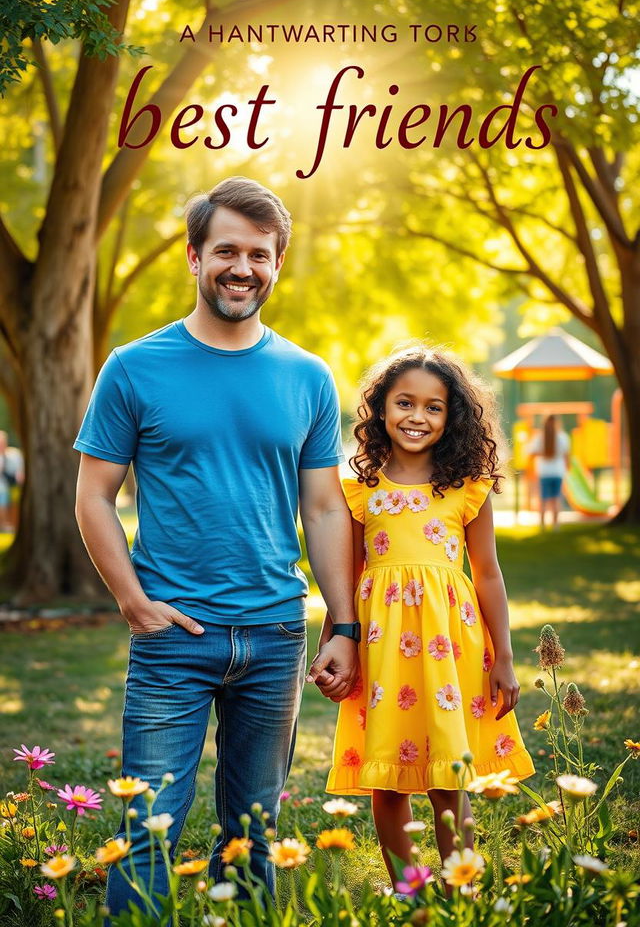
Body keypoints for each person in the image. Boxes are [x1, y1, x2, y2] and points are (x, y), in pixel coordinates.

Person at [74, 177, 359, 918]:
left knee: (255, 835)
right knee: (148, 832)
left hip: (274, 637)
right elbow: (93, 495)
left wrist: (343, 622)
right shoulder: (134, 367)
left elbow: (326, 507)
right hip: (174, 637)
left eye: (259, 254)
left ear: (277, 264)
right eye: (226, 250)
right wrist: (135, 603)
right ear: (196, 258)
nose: (243, 267)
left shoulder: (307, 375)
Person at [319, 345, 534, 882]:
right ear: (381, 409)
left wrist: (504, 657)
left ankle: (460, 883)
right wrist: (333, 645)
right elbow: (344, 577)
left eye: (433, 407)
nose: (417, 417)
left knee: (448, 771)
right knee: (386, 775)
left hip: (450, 645)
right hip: (381, 645)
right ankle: (407, 887)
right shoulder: (357, 489)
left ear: (452, 416)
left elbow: (487, 573)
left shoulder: (468, 486)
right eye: (405, 403)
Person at [528, 415, 571, 528]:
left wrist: (542, 454)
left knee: (543, 499)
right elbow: (567, 456)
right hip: (558, 472)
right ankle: (555, 525)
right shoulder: (563, 437)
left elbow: (530, 453)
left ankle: (542, 525)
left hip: (544, 472)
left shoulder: (539, 437)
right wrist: (568, 469)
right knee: (556, 499)